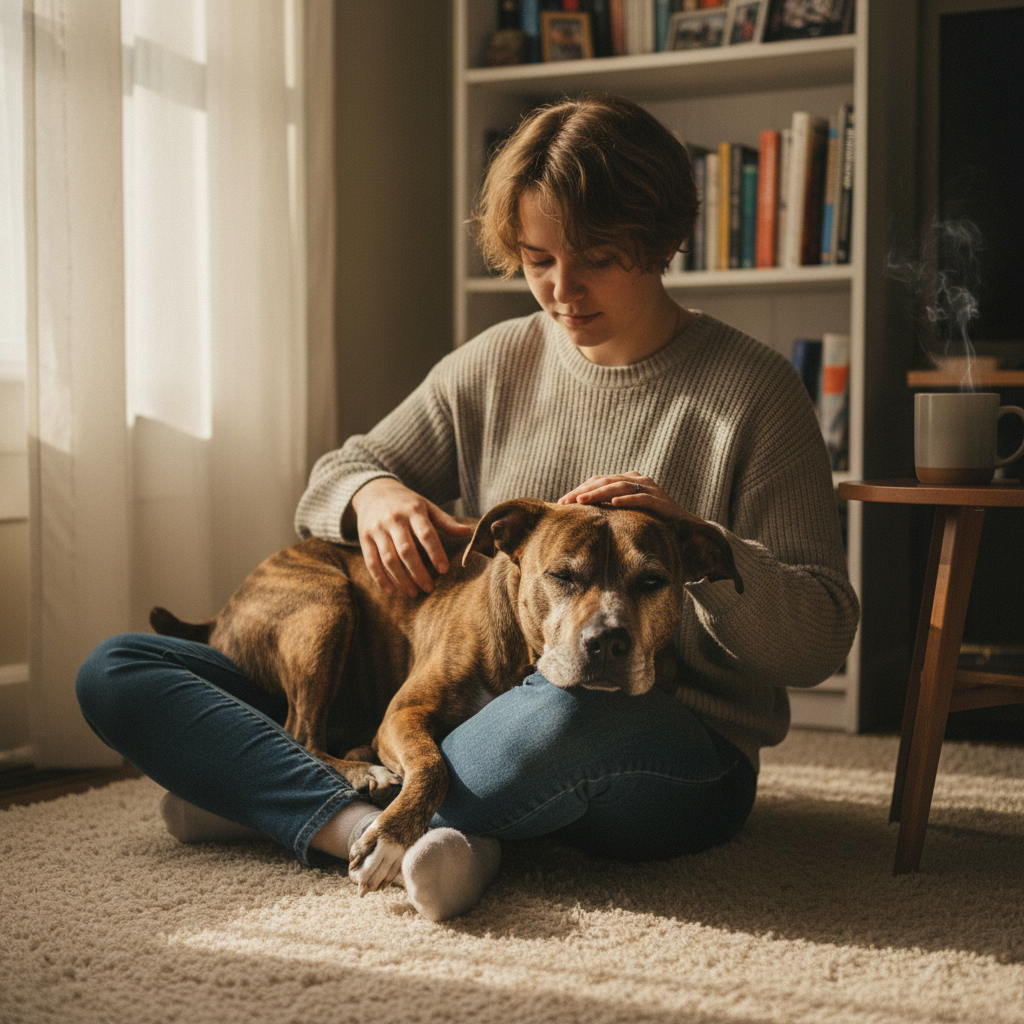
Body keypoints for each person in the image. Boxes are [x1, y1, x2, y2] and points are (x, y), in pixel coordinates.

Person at [76, 94, 859, 922]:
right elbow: (333, 478)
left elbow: (822, 638)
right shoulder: (497, 362)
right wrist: (372, 496)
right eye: (537, 258)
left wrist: (697, 550)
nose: (563, 289)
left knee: (558, 714)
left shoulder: (755, 394)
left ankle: (264, 799)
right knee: (118, 671)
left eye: (596, 256)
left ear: (662, 238)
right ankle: (365, 823)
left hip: (662, 740)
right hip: (456, 703)